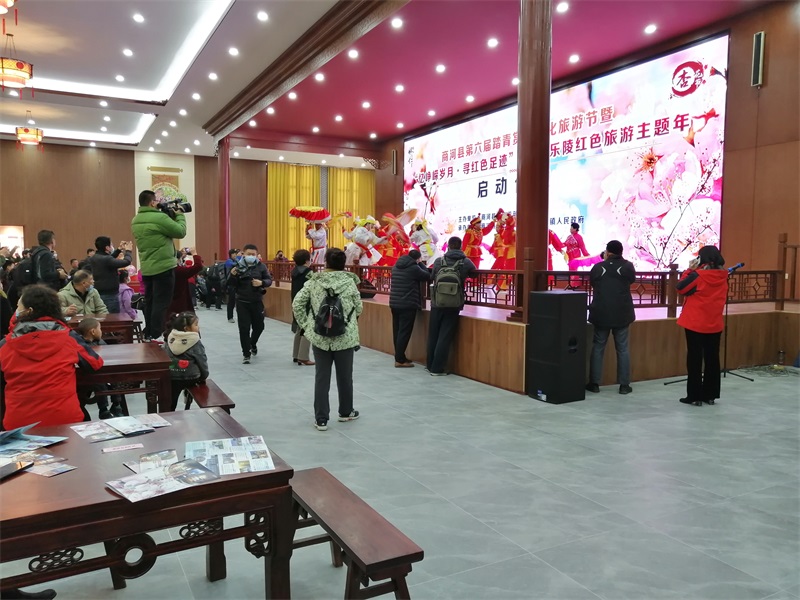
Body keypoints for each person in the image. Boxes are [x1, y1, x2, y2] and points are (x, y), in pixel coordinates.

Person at [0, 284, 103, 429]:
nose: (16, 310)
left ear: (28, 311)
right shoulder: (68, 337)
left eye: (18, 307)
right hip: (65, 419)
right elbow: (94, 363)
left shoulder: (6, 345)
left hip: (19, 423)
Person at [292, 248, 362, 431]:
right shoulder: (350, 283)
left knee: (322, 378)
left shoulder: (314, 282)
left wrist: (307, 324)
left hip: (320, 336)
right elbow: (359, 307)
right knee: (345, 377)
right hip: (345, 337)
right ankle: (346, 412)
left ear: (326, 263)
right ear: (343, 264)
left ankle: (321, 419)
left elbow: (297, 303)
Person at [131, 189, 187, 340]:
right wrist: (180, 215)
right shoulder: (159, 218)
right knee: (161, 303)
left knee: (150, 302)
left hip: (147, 268)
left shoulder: (136, 220)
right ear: (152, 202)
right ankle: (155, 335)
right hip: (163, 267)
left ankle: (148, 332)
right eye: (156, 200)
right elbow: (180, 231)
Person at [676, 245, 728, 406]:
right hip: (714, 323)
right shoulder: (724, 276)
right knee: (712, 359)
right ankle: (710, 395)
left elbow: (681, 288)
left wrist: (689, 270)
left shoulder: (698, 275)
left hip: (695, 323)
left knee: (695, 359)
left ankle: (695, 396)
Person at [585, 240, 636, 395]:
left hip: (601, 312)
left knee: (598, 347)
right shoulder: (628, 266)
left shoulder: (598, 267)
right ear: (621, 252)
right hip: (622, 313)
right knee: (622, 349)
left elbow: (593, 283)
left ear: (607, 252)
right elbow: (631, 280)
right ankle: (624, 385)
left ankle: (594, 383)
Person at [427, 237, 478, 376]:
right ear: (461, 246)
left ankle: (430, 365)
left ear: (448, 246)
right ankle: (437, 369)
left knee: (433, 334)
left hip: (437, 302)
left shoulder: (439, 261)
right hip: (454, 303)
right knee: (445, 335)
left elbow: (432, 276)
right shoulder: (465, 262)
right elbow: (474, 274)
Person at [70, 318, 125, 420]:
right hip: (88, 374)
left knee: (115, 377)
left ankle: (116, 404)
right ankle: (103, 409)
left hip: (103, 369)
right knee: (99, 382)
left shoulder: (100, 342)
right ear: (93, 331)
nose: (101, 331)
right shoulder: (81, 344)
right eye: (100, 328)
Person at [228, 244, 272, 364]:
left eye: (253, 254)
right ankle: (246, 353)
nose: (251, 256)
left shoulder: (261, 266)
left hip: (257, 301)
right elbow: (230, 284)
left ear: (257, 255)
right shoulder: (237, 267)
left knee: (259, 326)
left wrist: (261, 283)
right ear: (243, 254)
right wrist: (232, 275)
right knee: (244, 329)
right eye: (249, 254)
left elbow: (269, 280)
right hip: (242, 302)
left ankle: (252, 343)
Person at [389, 249, 431, 367]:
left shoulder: (396, 267)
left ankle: (399, 356)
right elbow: (427, 275)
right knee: (404, 332)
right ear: (417, 259)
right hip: (407, 304)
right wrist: (421, 263)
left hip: (394, 303)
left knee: (397, 331)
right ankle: (400, 360)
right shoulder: (413, 268)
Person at [164, 312, 209, 411]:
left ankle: (169, 411)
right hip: (191, 377)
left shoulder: (171, 337)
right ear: (186, 328)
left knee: (172, 399)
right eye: (196, 325)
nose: (198, 327)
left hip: (172, 376)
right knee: (192, 376)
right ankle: (188, 396)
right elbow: (202, 360)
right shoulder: (195, 341)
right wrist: (204, 376)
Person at [88, 237, 133, 313]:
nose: (112, 246)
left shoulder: (94, 257)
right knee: (112, 317)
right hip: (109, 295)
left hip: (99, 291)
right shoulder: (106, 259)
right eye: (111, 245)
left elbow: (109, 258)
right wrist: (128, 251)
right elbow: (126, 262)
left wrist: (119, 249)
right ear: (107, 247)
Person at [290, 249, 315, 366]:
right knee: (307, 329)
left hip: (296, 302)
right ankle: (303, 357)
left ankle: (296, 355)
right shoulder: (309, 273)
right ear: (306, 260)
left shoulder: (294, 271)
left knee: (299, 328)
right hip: (306, 303)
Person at [166, 249, 204, 320]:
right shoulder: (179, 271)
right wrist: (194, 254)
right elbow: (198, 266)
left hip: (166, 304)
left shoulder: (164, 271)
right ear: (178, 259)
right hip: (180, 303)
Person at [224, 248, 240, 323]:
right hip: (231, 284)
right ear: (230, 255)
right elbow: (234, 265)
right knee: (231, 301)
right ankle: (230, 317)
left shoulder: (236, 261)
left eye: (236, 254)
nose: (235, 255)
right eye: (233, 254)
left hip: (237, 284)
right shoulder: (228, 261)